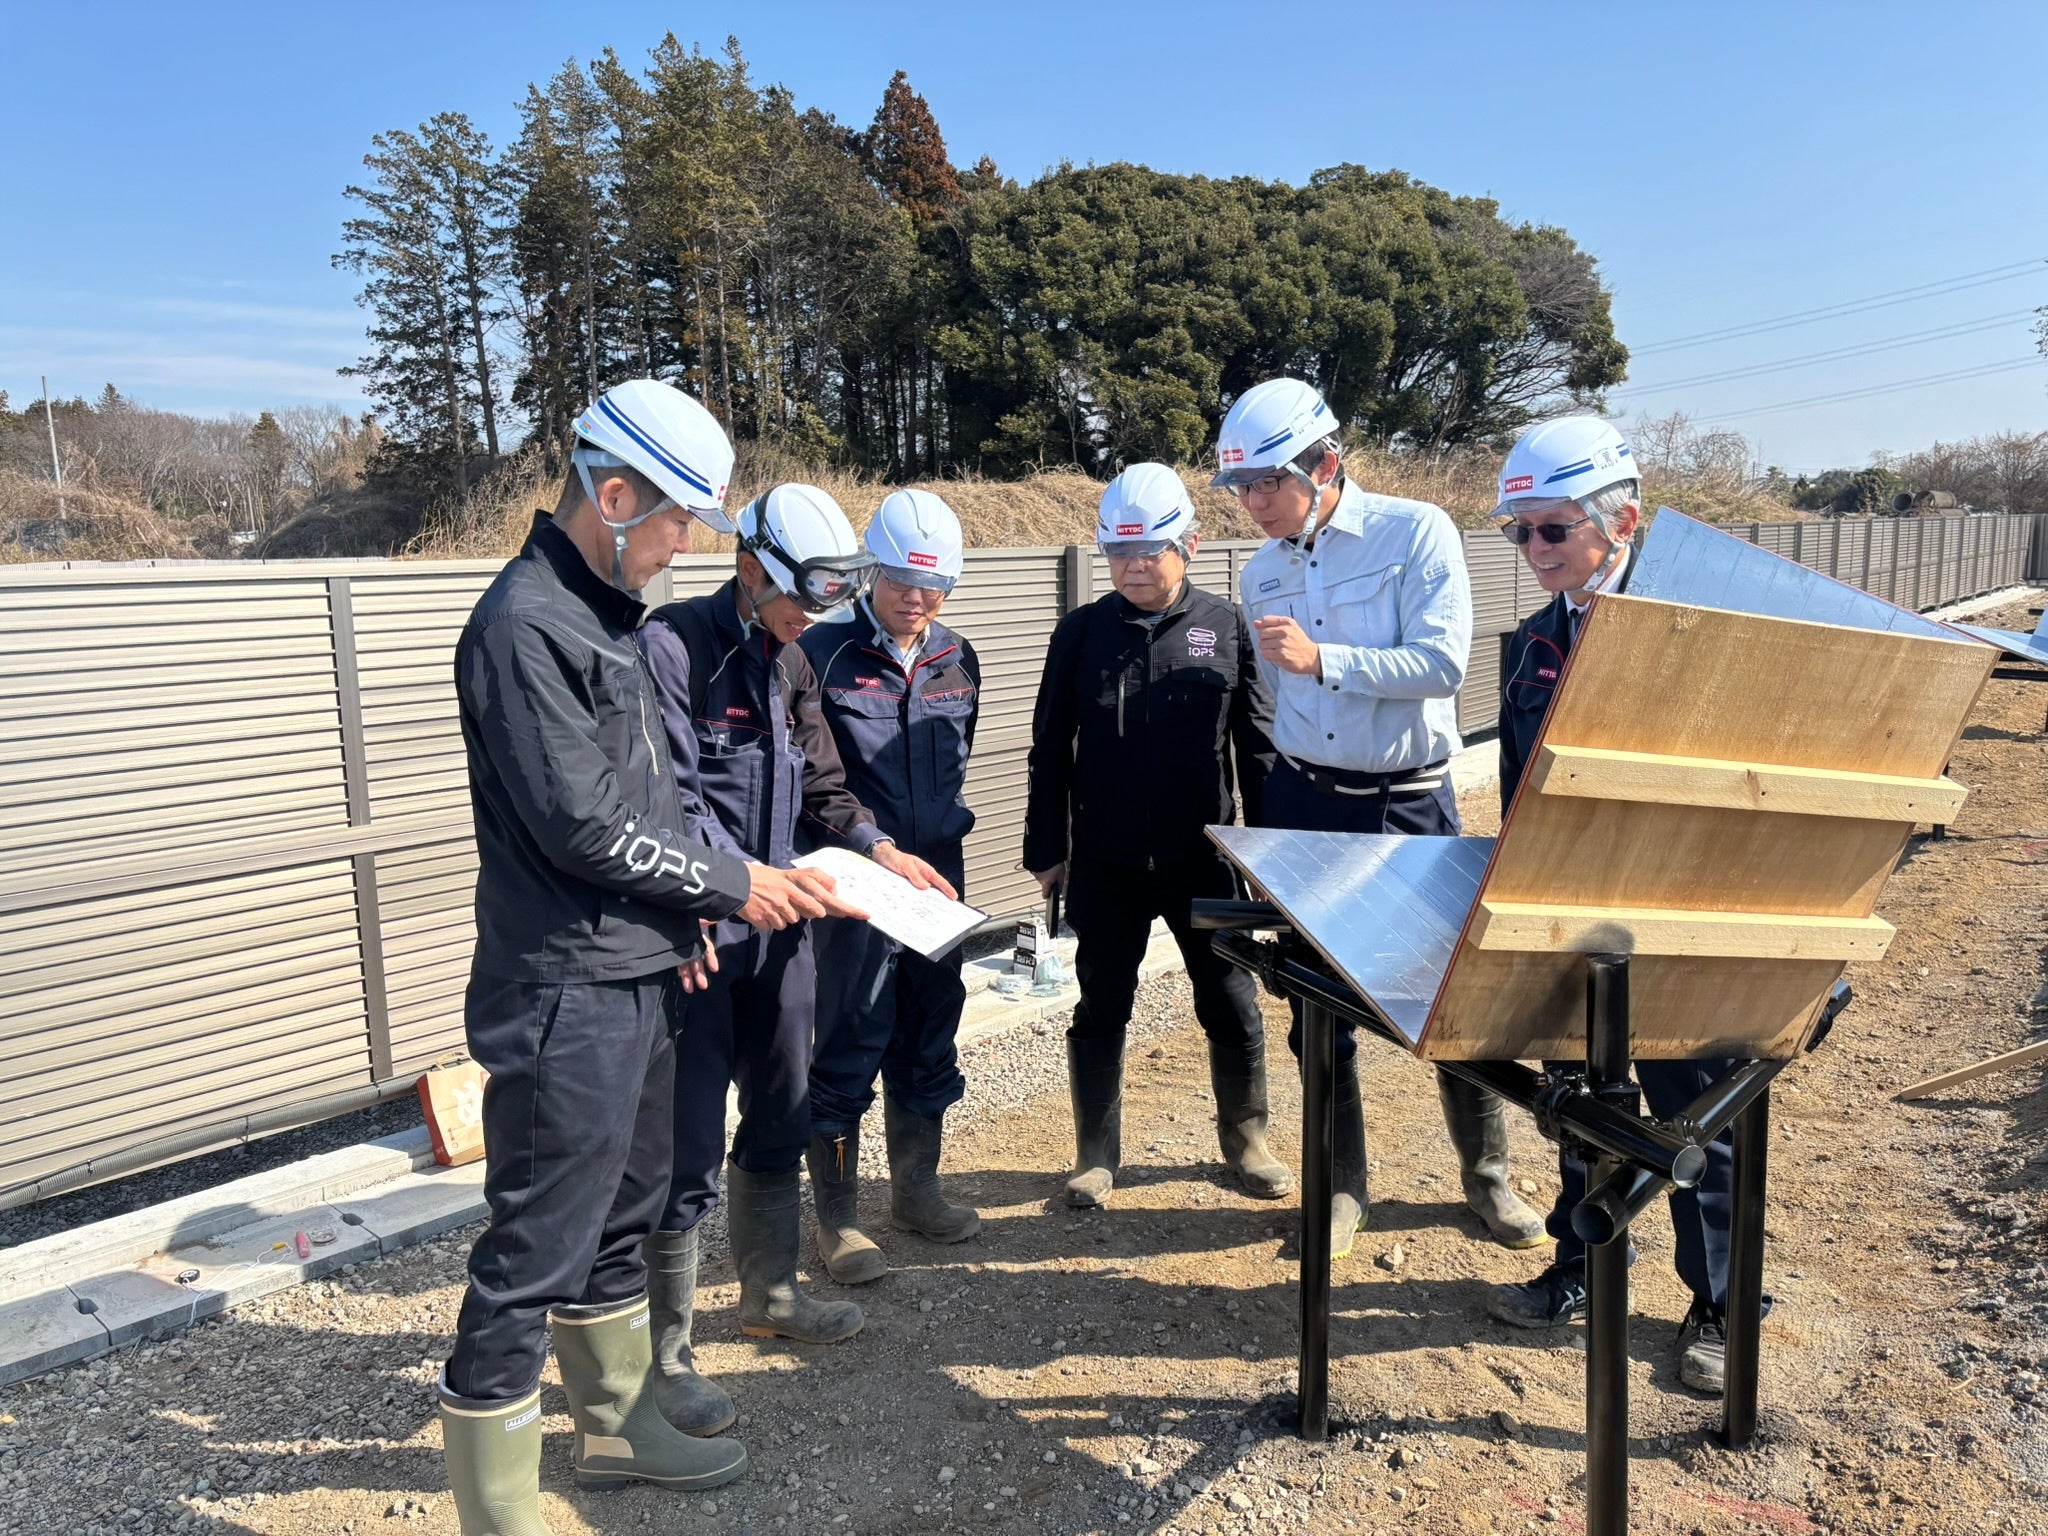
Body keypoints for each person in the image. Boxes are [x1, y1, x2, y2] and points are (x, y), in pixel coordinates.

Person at [440, 380, 851, 1533]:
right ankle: (496, 1512)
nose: (685, 548)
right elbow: (578, 825)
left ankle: (618, 1428)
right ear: (614, 498)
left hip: (640, 968)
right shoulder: (524, 626)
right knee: (535, 1246)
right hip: (562, 986)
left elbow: (653, 800)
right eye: (677, 522)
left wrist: (684, 925)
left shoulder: (609, 618)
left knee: (624, 1213)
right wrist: (732, 886)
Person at [637, 482, 957, 1427]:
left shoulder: (790, 662)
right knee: (685, 1147)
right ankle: (664, 1358)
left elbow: (824, 784)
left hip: (783, 936)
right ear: (750, 565)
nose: (809, 617)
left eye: (826, 599)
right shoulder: (672, 649)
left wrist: (878, 849)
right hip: (699, 937)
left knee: (781, 1110)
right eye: (799, 596)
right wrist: (734, 883)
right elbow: (672, 800)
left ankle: (771, 1295)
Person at [1216, 377, 1546, 1259]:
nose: (1255, 504)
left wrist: (1325, 659)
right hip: (1307, 803)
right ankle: (1340, 1186)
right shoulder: (1262, 571)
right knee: (1316, 1006)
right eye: (1241, 488)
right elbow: (1273, 704)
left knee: (1452, 1000)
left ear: (1325, 465)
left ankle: (1489, 1180)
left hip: (1408, 801)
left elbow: (1442, 664)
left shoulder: (1415, 531)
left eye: (1269, 483)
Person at [1482, 416, 1737, 1395]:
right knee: (1577, 1108)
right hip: (1570, 914)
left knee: (1693, 1114)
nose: (1533, 549)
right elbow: (1518, 790)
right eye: (1520, 531)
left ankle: (1720, 1300)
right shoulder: (1532, 645)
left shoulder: (1690, 633)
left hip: (1675, 909)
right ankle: (1583, 1266)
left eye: (1552, 528)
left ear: (1622, 519)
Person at [1024, 462, 1288, 1209]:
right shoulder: (1081, 633)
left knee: (1228, 997)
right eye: (1118, 552)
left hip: (1200, 856)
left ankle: (1248, 1140)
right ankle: (1095, 1153)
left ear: (1190, 546)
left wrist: (1269, 856)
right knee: (1102, 1002)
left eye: (1150, 550)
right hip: (1106, 857)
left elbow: (1257, 748)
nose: (1133, 566)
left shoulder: (1227, 626)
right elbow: (1050, 746)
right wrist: (1046, 849)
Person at [798, 489, 984, 1285]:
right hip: (858, 888)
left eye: (934, 585)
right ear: (871, 571)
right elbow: (810, 783)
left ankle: (916, 1192)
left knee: (930, 1027)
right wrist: (868, 850)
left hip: (937, 882)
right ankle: (838, 1221)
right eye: (904, 580)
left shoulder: (958, 656)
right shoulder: (820, 654)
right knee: (849, 1037)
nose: (917, 599)